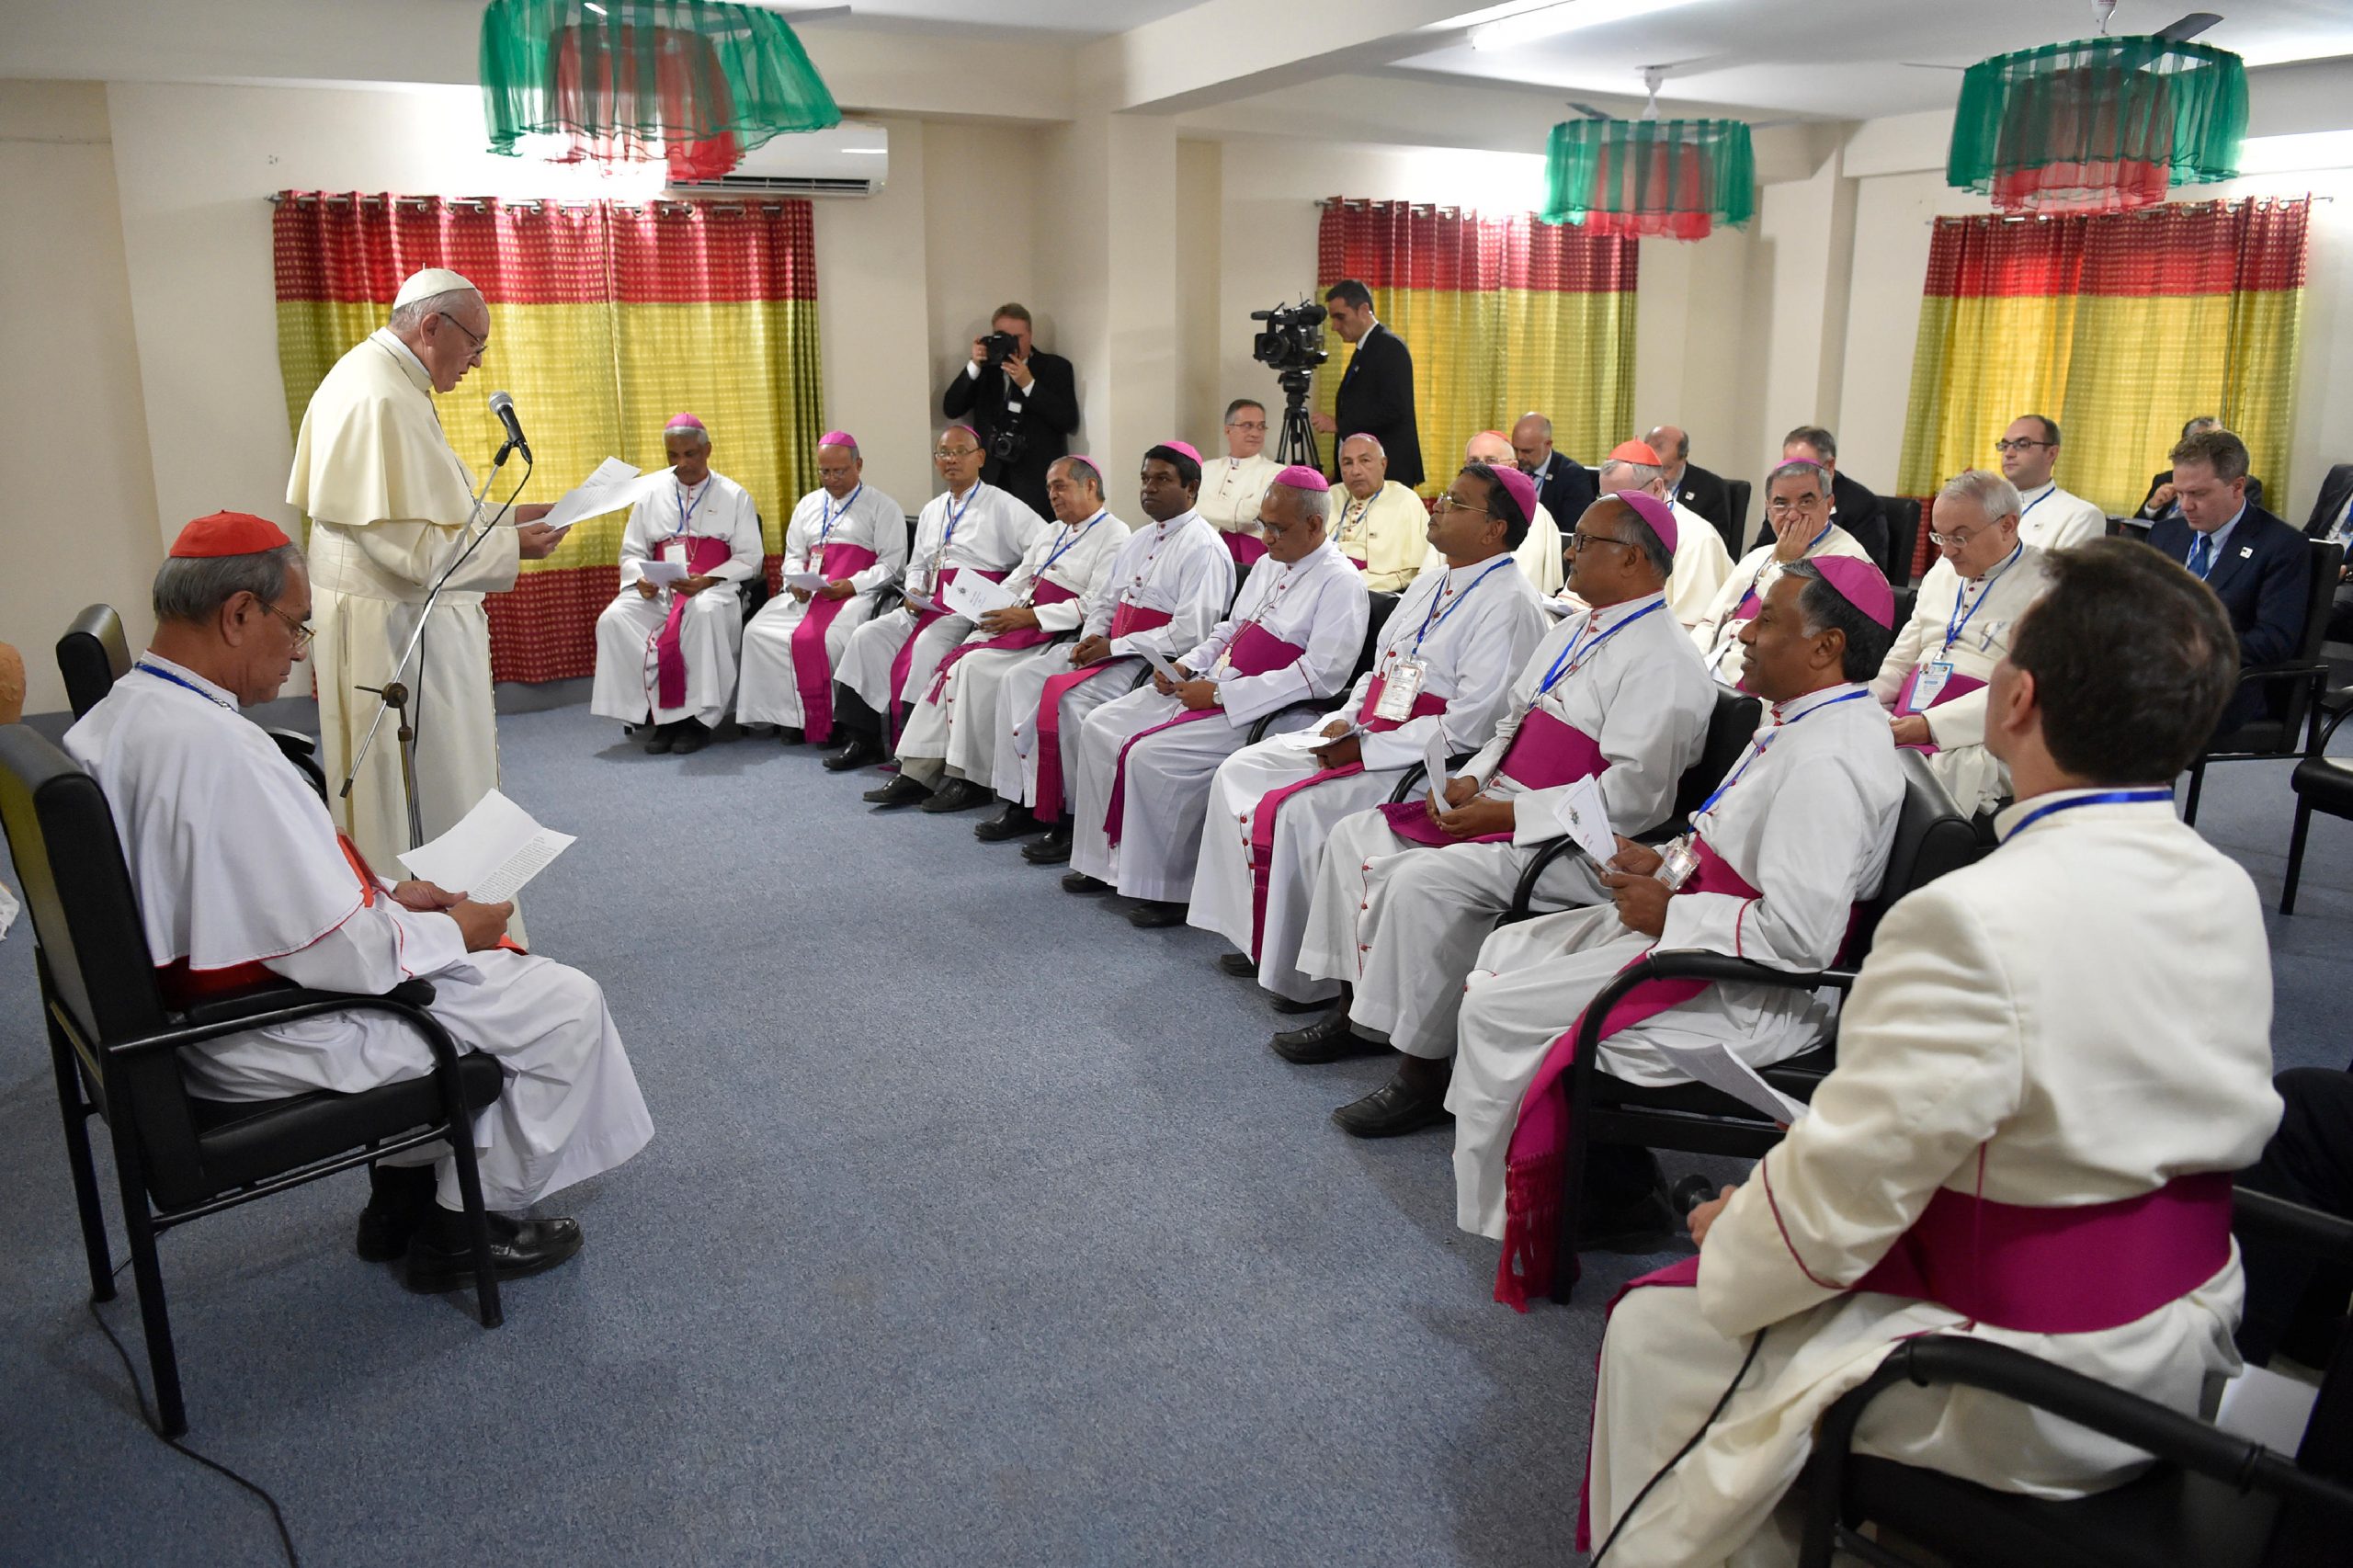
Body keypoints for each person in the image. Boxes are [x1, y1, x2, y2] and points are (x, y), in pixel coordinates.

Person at [1584, 539, 2279, 1566]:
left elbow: (1832, 1209)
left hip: (2031, 1381)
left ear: (2014, 702)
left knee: (1662, 1334)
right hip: (2181, 1335)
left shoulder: (1970, 917)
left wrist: (1733, 1229)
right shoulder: (2221, 884)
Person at [65, 512, 653, 1291]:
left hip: (185, 1020)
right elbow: (347, 955)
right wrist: (455, 929)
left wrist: (385, 894)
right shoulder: (220, 752)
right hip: (257, 1034)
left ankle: (401, 1199)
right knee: (561, 1004)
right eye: (296, 628)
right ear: (238, 614)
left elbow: (248, 901)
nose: (300, 653)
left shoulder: (124, 714)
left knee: (492, 987)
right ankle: (456, 1229)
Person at [1455, 556, 1903, 1299]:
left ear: (1826, 648)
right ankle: (1607, 1184)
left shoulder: (1829, 760)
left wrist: (1676, 911)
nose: (1744, 629)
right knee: (1507, 948)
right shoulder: (1800, 721)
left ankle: (1542, 1202)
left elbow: (1802, 939)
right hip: (1708, 937)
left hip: (1749, 994)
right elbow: (1737, 846)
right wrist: (1660, 860)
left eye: (1766, 620)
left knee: (1499, 1005)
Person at [1287, 491, 1715, 1137]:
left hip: (1570, 843)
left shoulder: (1669, 660)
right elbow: (1513, 722)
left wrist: (1506, 819)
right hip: (1503, 800)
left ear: (1631, 559)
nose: (1569, 552)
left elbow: (1633, 797)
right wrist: (1469, 779)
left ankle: (1422, 1071)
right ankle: (1357, 1011)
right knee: (1355, 833)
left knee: (1420, 882)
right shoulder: (1573, 626)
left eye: (1585, 543)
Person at [1188, 461, 1550, 1009]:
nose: (1439, 505)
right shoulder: (1434, 580)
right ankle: (1257, 934)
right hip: (1369, 729)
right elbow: (1380, 671)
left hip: (1420, 760)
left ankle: (1305, 976)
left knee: (1303, 813)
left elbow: (1471, 722)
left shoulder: (1511, 604)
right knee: (1242, 769)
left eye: (1457, 501)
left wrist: (1370, 745)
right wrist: (1349, 717)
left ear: (1494, 528)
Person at [288, 267, 564, 871]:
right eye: (475, 345)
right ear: (432, 326)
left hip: (397, 621)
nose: (477, 364)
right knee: (427, 791)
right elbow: (408, 549)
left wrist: (510, 518)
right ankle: (441, 928)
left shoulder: (388, 379)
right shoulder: (379, 396)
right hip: (394, 633)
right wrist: (515, 546)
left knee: (445, 781)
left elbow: (430, 507)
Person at [1063, 468, 1370, 926]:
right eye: (1262, 524)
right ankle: (1103, 861)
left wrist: (1224, 696)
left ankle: (1167, 886)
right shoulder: (1270, 563)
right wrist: (1187, 664)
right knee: (1102, 724)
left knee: (1151, 756)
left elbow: (1320, 677)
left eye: (1277, 527)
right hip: (1215, 683)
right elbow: (1231, 629)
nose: (1265, 538)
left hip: (1268, 708)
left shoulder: (1340, 581)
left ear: (1313, 525)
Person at [977, 442, 1234, 855]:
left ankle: (1074, 821)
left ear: (1191, 488)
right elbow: (1106, 602)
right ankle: (1022, 801)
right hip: (1107, 648)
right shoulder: (1141, 537)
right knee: (1017, 679)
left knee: (1073, 707)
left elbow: (1192, 632)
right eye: (1145, 478)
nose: (1149, 488)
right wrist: (1091, 637)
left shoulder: (1204, 546)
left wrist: (1115, 645)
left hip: (1145, 662)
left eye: (1162, 479)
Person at [894, 456, 1131, 822]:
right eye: (1049, 487)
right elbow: (1020, 577)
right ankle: (917, 771)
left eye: (1061, 486)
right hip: (1021, 619)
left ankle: (968, 778)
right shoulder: (1053, 531)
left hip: (1054, 630)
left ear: (1090, 486)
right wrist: (991, 605)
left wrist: (1030, 616)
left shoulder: (1115, 535)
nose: (1052, 494)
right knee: (959, 662)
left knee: (973, 669)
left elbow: (1094, 603)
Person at [822, 426, 1044, 772]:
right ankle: (861, 738)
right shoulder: (933, 509)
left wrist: (1008, 591)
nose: (951, 460)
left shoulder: (1004, 505)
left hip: (969, 609)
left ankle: (916, 755)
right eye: (944, 454)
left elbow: (1041, 550)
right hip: (927, 601)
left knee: (926, 645)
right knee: (867, 636)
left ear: (980, 458)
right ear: (936, 461)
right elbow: (919, 563)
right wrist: (913, 592)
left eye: (960, 452)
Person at [1873, 470, 2055, 817]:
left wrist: (1929, 726)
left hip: (1986, 727)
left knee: (1929, 776)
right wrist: (1863, 701)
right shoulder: (1941, 573)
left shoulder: (2051, 583)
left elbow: (2027, 688)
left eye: (1960, 537)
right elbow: (1900, 660)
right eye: (1940, 537)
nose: (1947, 553)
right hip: (1910, 713)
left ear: (2008, 525)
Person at [587, 415, 764, 755]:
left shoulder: (734, 495)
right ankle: (656, 715)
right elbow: (633, 551)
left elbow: (749, 557)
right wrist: (640, 579)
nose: (681, 464)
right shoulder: (651, 495)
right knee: (614, 619)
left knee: (705, 613)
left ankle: (697, 721)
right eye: (673, 455)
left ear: (707, 450)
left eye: (690, 454)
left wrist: (708, 580)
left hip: (711, 587)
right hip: (661, 589)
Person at [734, 432, 909, 745]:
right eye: (824, 471)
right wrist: (796, 582)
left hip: (858, 594)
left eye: (839, 471)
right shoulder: (808, 505)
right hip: (810, 594)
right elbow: (794, 556)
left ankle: (836, 720)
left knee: (835, 637)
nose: (831, 479)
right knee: (758, 632)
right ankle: (792, 718)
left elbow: (892, 565)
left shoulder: (883, 507)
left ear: (858, 465)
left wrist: (852, 585)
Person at [2143, 428, 2312, 733]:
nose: (2184, 506)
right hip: (2151, 669)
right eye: (2180, 492)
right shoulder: (2166, 534)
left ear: (2237, 487)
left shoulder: (2281, 545)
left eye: (2198, 494)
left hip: (2226, 683)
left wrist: (2189, 650)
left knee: (2122, 710)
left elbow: (2273, 642)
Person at [1690, 459, 1873, 689]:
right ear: (1767, 507)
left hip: (1769, 683)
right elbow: (1710, 623)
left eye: (1805, 502)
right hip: (1713, 670)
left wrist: (1784, 562)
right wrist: (1689, 665)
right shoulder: (1761, 554)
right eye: (1781, 503)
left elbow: (1783, 629)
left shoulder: (1846, 562)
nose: (1793, 515)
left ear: (1829, 504)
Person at [941, 301, 1078, 520]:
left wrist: (1029, 385)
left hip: (1035, 484)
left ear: (1030, 335)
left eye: (1018, 337)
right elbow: (951, 407)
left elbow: (1067, 420)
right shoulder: (986, 371)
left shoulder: (1055, 368)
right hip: (991, 480)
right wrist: (974, 365)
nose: (1012, 344)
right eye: (1003, 337)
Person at [1588, 440, 1733, 626]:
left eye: (1621, 499)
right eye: (1604, 498)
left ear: (1657, 488)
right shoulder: (1601, 525)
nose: (1610, 509)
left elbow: (1689, 625)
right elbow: (1574, 600)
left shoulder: (1696, 539)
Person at [1312, 278, 1422, 488]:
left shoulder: (1389, 347)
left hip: (1389, 471)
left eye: (1340, 317)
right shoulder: (1366, 348)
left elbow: (1394, 408)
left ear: (1363, 310)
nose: (1334, 326)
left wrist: (1339, 425)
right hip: (1366, 470)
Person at [1761, 426, 1887, 572]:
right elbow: (1761, 551)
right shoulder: (1782, 499)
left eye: (1803, 467)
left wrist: (1786, 561)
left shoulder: (1862, 504)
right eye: (1788, 466)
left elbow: (1866, 571)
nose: (1793, 475)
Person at [1995, 414, 2106, 551]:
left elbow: (2064, 572)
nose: (2009, 453)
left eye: (2022, 445)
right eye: (2004, 446)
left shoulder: (2080, 515)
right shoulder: (1982, 507)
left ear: (2051, 453)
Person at [1332, 434, 1427, 592]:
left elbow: (1409, 573)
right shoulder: (1329, 496)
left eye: (1365, 461)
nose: (1355, 471)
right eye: (1347, 463)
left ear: (1383, 464)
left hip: (1374, 592)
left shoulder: (1405, 500)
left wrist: (1351, 586)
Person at [1197, 399, 1284, 563]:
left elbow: (1253, 514)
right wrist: (1236, 509)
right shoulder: (1204, 469)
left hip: (1248, 554)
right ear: (1228, 430)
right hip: (1200, 548)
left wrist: (1200, 509)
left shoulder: (1276, 472)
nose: (1256, 433)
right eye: (1247, 425)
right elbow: (1184, 508)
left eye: (1261, 426)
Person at [2143, 415, 2267, 520]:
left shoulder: (2246, 485)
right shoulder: (2164, 479)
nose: (2186, 506)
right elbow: (2136, 528)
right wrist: (2152, 507)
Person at [1646, 423, 1733, 548]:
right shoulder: (1637, 482)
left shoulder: (1711, 488)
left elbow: (1716, 541)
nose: (1659, 477)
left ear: (1683, 459)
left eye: (1666, 468)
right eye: (1652, 468)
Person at [1513, 412, 1597, 532]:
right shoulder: (1512, 469)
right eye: (1515, 449)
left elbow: (1572, 530)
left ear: (1548, 445)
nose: (1519, 457)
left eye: (1527, 451)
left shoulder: (1572, 476)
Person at [2302, 459, 2353, 641]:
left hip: (2348, 578)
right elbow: (2312, 527)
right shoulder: (2340, 476)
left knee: (2321, 610)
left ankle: (2299, 665)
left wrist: (2347, 570)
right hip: (2318, 561)